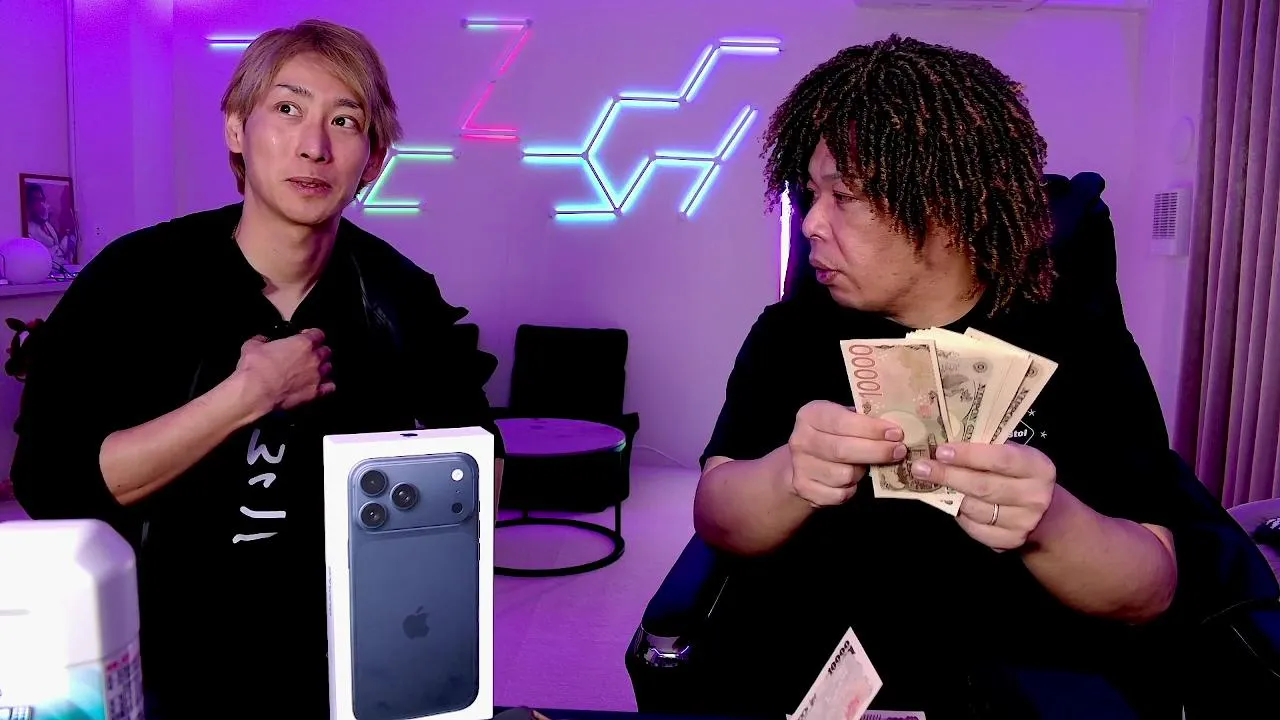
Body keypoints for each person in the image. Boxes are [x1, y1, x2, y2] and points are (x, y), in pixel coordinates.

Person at [10, 19, 505, 716]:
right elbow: (49, 482)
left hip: (345, 660)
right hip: (166, 656)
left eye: (345, 120)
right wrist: (245, 397)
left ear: (373, 159)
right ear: (237, 129)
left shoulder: (400, 299)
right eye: (288, 109)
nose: (314, 145)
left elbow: (481, 462)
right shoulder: (134, 279)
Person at [692, 36, 1184, 718]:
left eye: (845, 196)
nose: (810, 224)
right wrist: (789, 477)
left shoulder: (1085, 347)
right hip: (821, 674)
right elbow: (716, 516)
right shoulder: (789, 335)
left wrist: (1051, 523)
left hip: (1018, 684)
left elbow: (1151, 589)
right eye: (810, 194)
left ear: (945, 205)